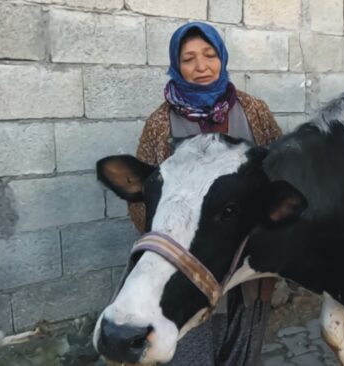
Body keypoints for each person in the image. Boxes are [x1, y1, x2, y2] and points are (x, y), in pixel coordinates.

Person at [128, 22, 281, 366]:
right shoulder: (160, 124)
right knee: (191, 353)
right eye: (189, 59)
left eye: (210, 56)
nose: (201, 67)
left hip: (247, 270)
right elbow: (143, 202)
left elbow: (279, 171)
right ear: (176, 65)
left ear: (222, 58)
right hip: (186, 270)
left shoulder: (254, 111)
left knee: (243, 353)